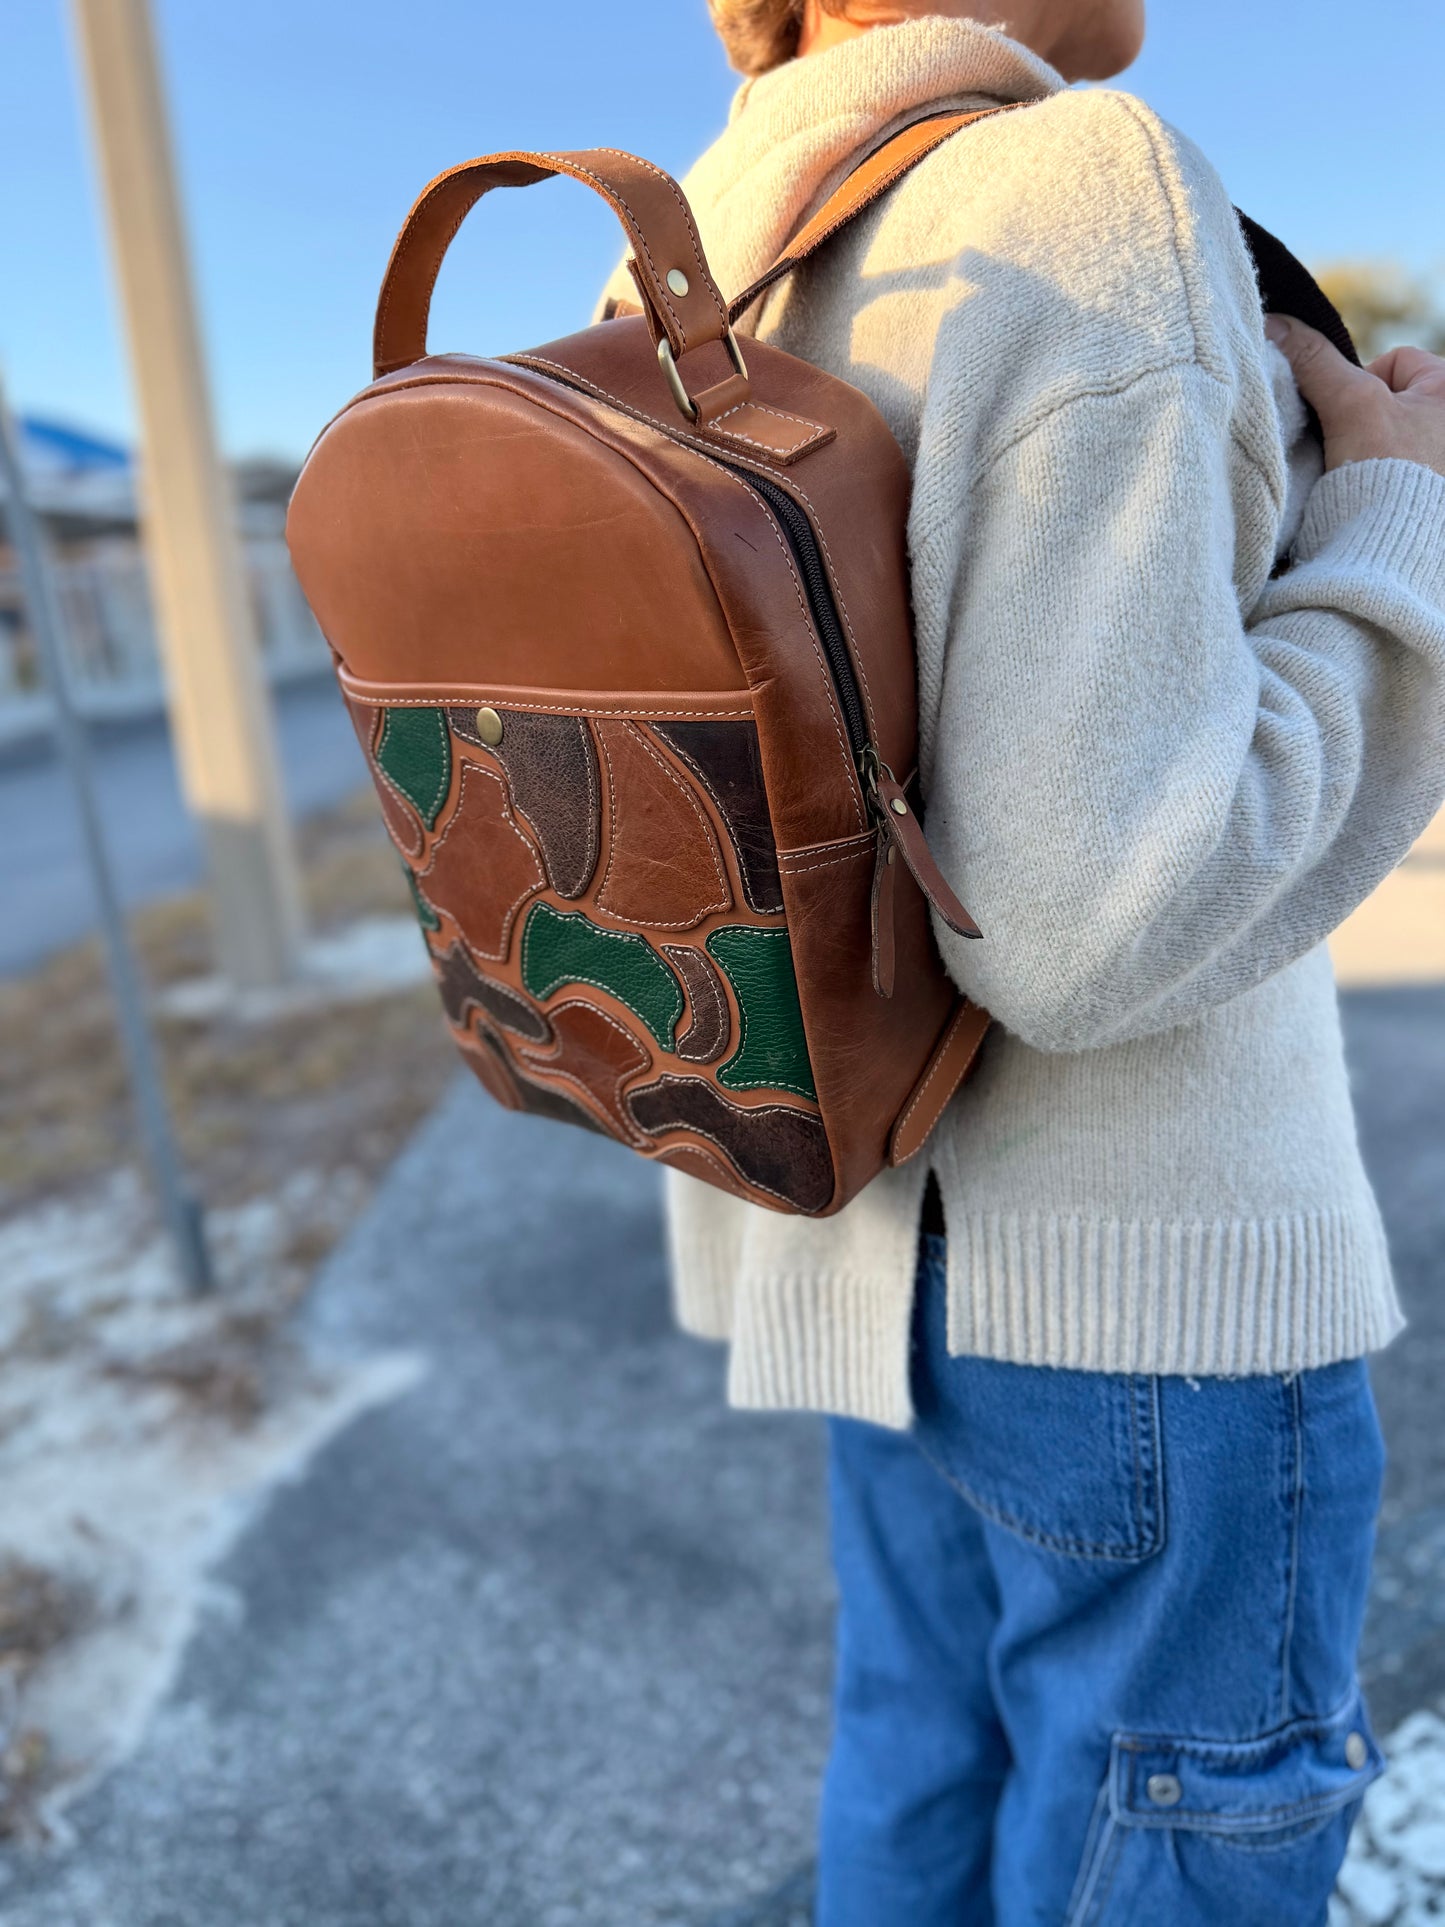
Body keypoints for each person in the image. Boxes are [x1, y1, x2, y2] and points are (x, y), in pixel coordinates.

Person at [599, 3, 1445, 1920]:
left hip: (839, 1203)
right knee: (1173, 1817)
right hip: (1134, 1273)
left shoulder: (684, 262)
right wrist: (1402, 524)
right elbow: (1089, 918)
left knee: (919, 1749)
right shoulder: (1075, 185)